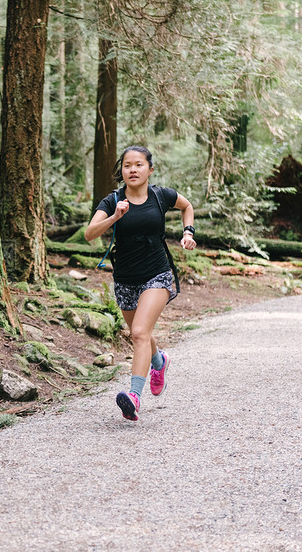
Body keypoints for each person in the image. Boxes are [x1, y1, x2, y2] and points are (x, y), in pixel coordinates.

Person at [84, 145, 196, 421]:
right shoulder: (112, 201)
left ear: (150, 169)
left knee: (138, 333)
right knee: (141, 332)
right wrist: (114, 217)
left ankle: (133, 397)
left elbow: (187, 206)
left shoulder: (161, 195)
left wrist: (188, 231)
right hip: (125, 279)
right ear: (122, 171)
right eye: (127, 165)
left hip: (157, 273)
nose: (132, 170)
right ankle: (159, 362)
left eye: (138, 165)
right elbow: (89, 234)